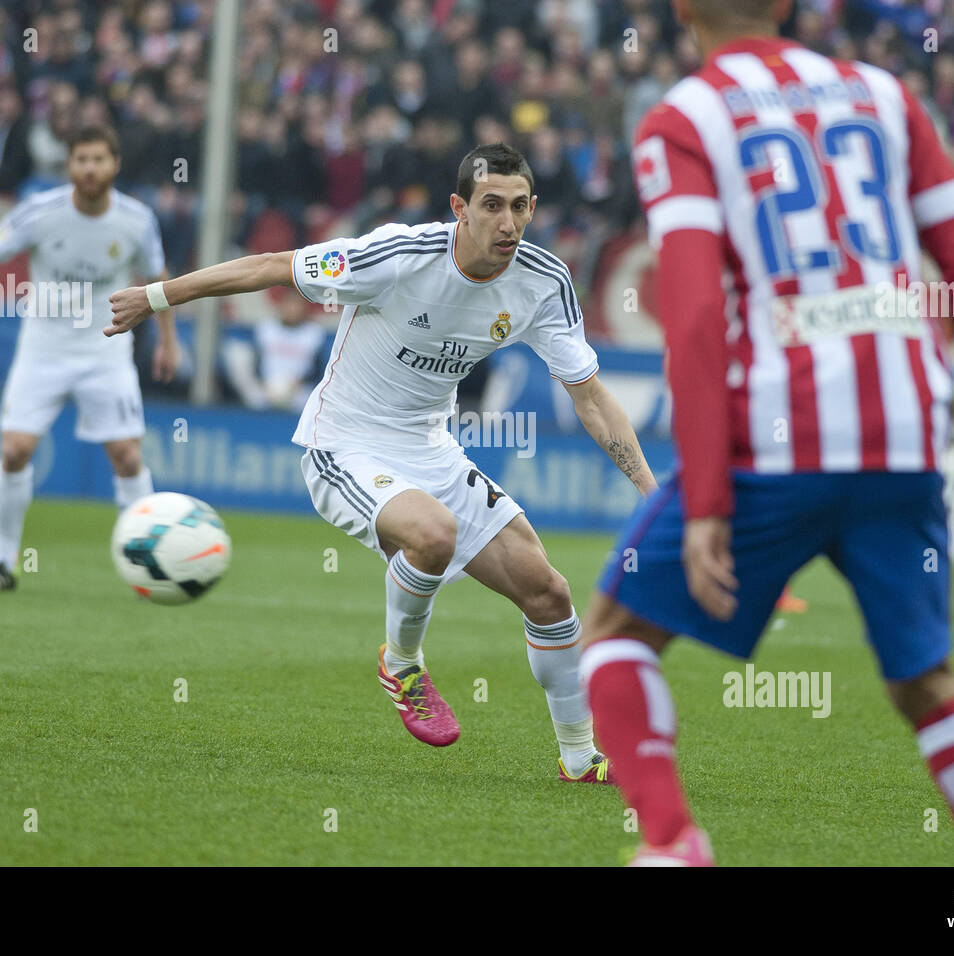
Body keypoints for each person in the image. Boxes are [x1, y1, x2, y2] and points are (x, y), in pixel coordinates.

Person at [579, 0, 954, 865]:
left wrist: (706, 496)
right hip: (902, 434)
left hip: (774, 440)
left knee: (614, 634)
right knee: (923, 681)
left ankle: (673, 845)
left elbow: (698, 314)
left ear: (681, 10)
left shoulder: (684, 117)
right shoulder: (886, 95)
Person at [108, 143, 658, 783]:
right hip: (344, 444)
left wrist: (650, 490)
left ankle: (579, 759)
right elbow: (272, 266)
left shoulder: (542, 281)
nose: (507, 223)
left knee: (549, 592)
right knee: (432, 534)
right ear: (459, 208)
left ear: (533, 208)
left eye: (519, 207)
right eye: (491, 206)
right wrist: (156, 296)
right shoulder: (396, 256)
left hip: (432, 450)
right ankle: (401, 664)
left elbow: (589, 397)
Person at [0, 125, 180, 590]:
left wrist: (169, 341)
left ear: (115, 164)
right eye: (82, 159)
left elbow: (158, 278)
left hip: (106, 349)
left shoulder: (137, 219)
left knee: (128, 457)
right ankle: (3, 562)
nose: (90, 168)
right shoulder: (39, 212)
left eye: (99, 159)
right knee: (14, 451)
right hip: (43, 349)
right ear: (69, 166)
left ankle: (145, 565)